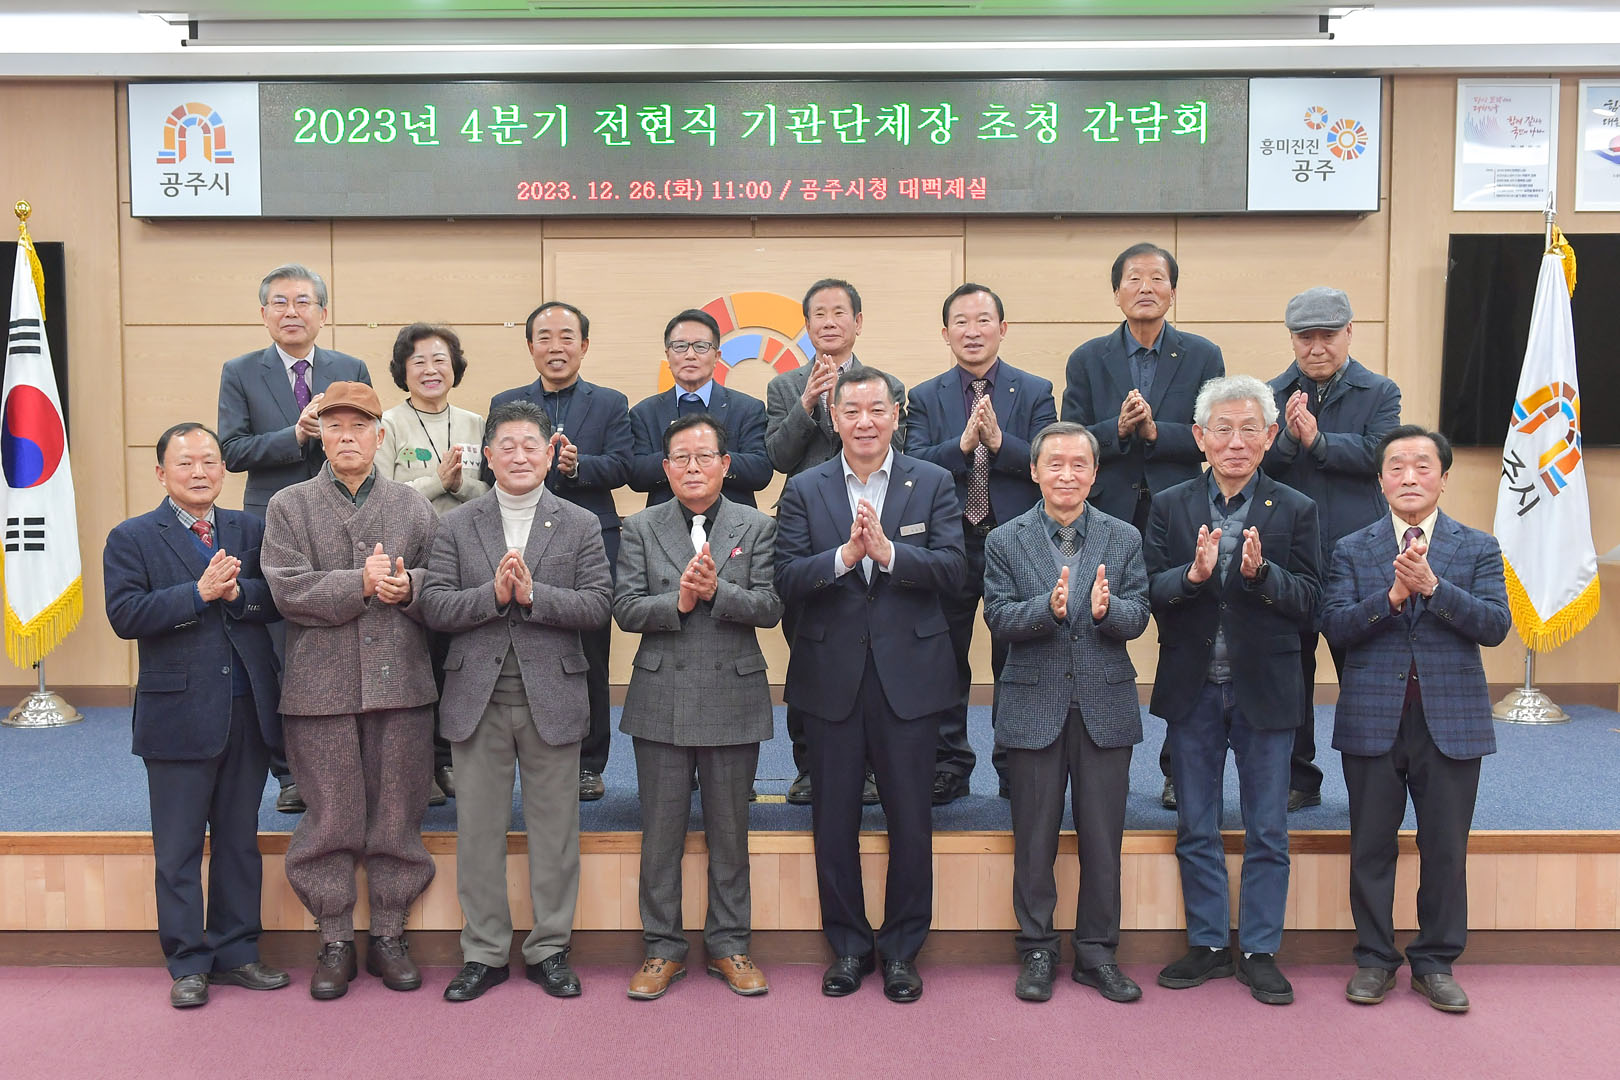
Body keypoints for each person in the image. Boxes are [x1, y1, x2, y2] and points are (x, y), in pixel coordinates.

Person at [774, 368, 965, 1004]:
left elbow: (954, 570)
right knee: (833, 820)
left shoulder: (932, 481)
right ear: (833, 418)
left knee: (911, 818)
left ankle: (904, 950)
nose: (864, 421)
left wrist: (889, 556)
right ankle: (850, 948)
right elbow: (786, 578)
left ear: (895, 414)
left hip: (910, 677)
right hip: (831, 676)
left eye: (876, 409)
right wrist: (845, 559)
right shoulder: (804, 488)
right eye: (851, 410)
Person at [421, 399, 613, 1004]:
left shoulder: (579, 522)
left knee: (555, 832)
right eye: (507, 445)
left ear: (550, 453)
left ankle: (550, 949)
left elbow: (598, 605)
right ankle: (483, 952)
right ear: (488, 455)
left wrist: (533, 597)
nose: (520, 455)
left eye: (532, 444)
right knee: (478, 832)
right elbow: (435, 606)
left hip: (552, 694)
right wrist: (493, 595)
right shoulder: (456, 524)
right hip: (477, 697)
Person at [1144, 374, 1320, 1007]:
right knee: (1196, 824)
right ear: (1200, 436)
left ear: (1271, 437)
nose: (1236, 442)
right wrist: (1192, 577)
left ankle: (1260, 950)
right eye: (1223, 429)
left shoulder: (1296, 508)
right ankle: (1210, 942)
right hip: (1193, 688)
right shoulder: (1170, 505)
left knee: (1267, 827)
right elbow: (1151, 592)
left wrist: (1263, 575)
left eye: (1250, 429)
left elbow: (1312, 601)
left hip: (1265, 689)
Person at [260, 381, 440, 1001]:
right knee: (330, 817)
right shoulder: (288, 506)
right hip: (320, 687)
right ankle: (334, 936)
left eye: (359, 426)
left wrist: (411, 587)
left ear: (379, 436)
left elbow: (443, 582)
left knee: (398, 816)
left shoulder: (413, 506)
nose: (347, 437)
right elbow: (286, 590)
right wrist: (358, 585)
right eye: (334, 426)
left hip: (401, 684)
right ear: (320, 436)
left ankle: (389, 931)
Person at [1321, 426, 1510, 1014]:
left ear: (1444, 479)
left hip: (1451, 721)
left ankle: (1435, 963)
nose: (1409, 477)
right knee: (1371, 846)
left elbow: (1495, 626)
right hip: (1373, 718)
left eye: (1423, 466)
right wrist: (1392, 600)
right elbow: (1336, 626)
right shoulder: (1352, 548)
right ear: (1380, 479)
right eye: (1397, 466)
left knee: (1446, 849)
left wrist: (1434, 588)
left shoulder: (1477, 547)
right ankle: (1375, 959)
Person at [103, 422, 288, 1009]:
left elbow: (275, 600)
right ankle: (187, 962)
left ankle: (238, 952)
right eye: (185, 463)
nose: (200, 472)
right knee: (179, 847)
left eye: (209, 460)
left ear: (223, 469)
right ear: (162, 473)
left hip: (246, 707)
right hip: (176, 714)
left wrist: (238, 595)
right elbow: (125, 615)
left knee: (239, 841)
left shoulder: (250, 528)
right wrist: (198, 593)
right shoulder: (132, 537)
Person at [614, 412, 783, 1000]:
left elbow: (771, 606)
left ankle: (730, 944)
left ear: (725, 465)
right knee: (659, 835)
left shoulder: (757, 526)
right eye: (681, 458)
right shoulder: (640, 526)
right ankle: (661, 948)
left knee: (729, 835)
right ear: (665, 469)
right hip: (661, 695)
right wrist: (679, 602)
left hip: (732, 694)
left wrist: (718, 592)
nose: (693, 467)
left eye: (704, 456)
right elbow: (625, 608)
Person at [982, 421, 1149, 1005]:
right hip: (1034, 705)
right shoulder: (1004, 539)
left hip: (1105, 703)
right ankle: (1037, 948)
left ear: (1095, 473)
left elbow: (1139, 615)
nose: (1067, 475)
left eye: (1079, 464)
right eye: (1055, 463)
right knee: (1034, 839)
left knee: (1104, 839)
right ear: (1034, 471)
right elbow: (997, 617)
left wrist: (1107, 612)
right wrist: (1045, 610)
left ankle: (1098, 952)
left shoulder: (1124, 537)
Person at [1061, 243, 1225, 811]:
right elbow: (1072, 437)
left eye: (1158, 278)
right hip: (1106, 515)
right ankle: (1097, 766)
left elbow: (1214, 434)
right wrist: (1119, 429)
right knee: (1100, 629)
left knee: (1185, 636)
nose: (1146, 288)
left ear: (1173, 292)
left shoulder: (1202, 354)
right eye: (1134, 279)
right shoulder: (1088, 357)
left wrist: (1156, 433)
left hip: (1180, 513)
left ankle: (1181, 767)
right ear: (1117, 293)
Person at [906, 283, 1056, 803]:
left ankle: (1015, 764)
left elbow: (1046, 459)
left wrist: (998, 442)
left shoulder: (1034, 390)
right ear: (945, 333)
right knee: (945, 658)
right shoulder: (925, 396)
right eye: (961, 322)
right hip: (949, 542)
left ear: (1002, 328)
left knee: (1014, 658)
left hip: (1013, 543)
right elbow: (914, 464)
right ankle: (949, 765)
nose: (973, 331)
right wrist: (963, 444)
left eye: (983, 320)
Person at [764, 278, 906, 805]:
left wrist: (852, 409)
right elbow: (777, 458)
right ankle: (809, 765)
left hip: (872, 531)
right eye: (818, 314)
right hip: (808, 533)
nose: (829, 321)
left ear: (858, 322)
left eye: (839, 312)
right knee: (809, 651)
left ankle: (868, 768)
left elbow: (901, 449)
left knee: (871, 654)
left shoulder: (887, 385)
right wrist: (807, 404)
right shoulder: (784, 387)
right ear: (806, 326)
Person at [1262, 287, 1402, 812]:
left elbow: (1382, 456)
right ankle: (1298, 778)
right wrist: (1286, 439)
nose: (1316, 347)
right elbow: (1253, 464)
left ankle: (1372, 784)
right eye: (1305, 338)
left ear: (1349, 332)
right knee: (1289, 676)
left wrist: (1318, 442)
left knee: (1362, 677)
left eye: (1327, 336)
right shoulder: (1271, 393)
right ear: (1292, 340)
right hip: (1288, 557)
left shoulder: (1379, 391)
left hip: (1357, 559)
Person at [486, 301, 631, 802]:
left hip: (586, 540)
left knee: (589, 653)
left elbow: (624, 467)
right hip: (516, 538)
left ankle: (589, 763)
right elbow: (490, 467)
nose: (556, 347)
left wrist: (576, 465)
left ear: (584, 346)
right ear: (530, 346)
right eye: (544, 337)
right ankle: (521, 758)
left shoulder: (610, 402)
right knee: (518, 649)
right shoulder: (506, 402)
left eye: (566, 337)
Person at [378, 323, 489, 806]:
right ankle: (416, 765)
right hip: (409, 556)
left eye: (440, 359)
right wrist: (437, 482)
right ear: (403, 370)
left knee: (458, 664)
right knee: (413, 663)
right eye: (418, 360)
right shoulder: (387, 423)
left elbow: (491, 491)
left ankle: (448, 760)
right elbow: (381, 494)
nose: (430, 369)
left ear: (455, 368)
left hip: (467, 557)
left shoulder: (476, 423)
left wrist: (460, 485)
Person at [628, 308, 772, 508]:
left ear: (717, 356)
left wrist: (710, 457)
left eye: (701, 346)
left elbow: (760, 470)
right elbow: (636, 474)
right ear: (668, 355)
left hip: (733, 521)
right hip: (665, 521)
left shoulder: (747, 408)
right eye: (680, 346)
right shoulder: (644, 413)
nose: (690, 355)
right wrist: (684, 456)